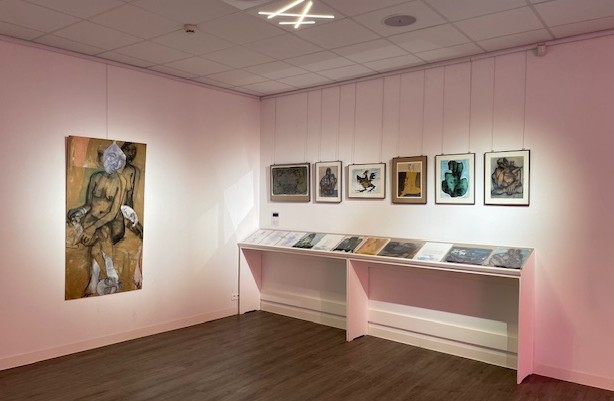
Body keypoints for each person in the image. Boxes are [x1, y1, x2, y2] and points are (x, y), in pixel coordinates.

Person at [67, 142, 128, 296]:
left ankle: (105, 274)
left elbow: (113, 213)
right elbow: (89, 204)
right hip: (93, 218)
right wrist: (80, 211)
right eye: (106, 157)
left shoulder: (121, 181)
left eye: (113, 158)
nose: (109, 161)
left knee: (102, 232)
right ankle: (100, 281)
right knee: (87, 235)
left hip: (113, 223)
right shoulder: (95, 177)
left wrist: (92, 227)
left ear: (120, 161)